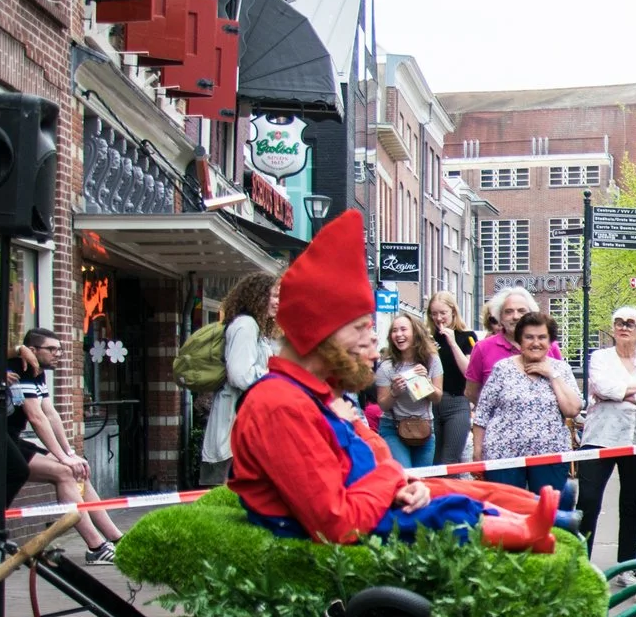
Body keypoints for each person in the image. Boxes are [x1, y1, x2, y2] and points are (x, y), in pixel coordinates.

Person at [226, 212, 561, 551]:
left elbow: (366, 457)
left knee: (458, 494)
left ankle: (541, 517)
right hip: (361, 521)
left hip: (370, 503)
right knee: (449, 510)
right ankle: (530, 525)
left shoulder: (309, 396)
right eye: (360, 328)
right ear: (321, 332)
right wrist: (391, 480)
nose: (370, 344)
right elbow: (337, 522)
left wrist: (398, 482)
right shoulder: (280, 404)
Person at [8, 329, 119, 562]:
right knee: (66, 472)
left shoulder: (37, 372)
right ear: (32, 350)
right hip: (1, 441)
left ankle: (117, 539)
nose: (57, 354)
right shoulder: (20, 369)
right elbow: (36, 417)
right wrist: (63, 458)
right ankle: (96, 547)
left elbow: (50, 413)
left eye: (59, 349)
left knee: (79, 471)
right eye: (51, 349)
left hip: (14, 439)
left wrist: (69, 452)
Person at [473, 310, 582, 509]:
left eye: (542, 337)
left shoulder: (561, 369)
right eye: (529, 337)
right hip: (504, 455)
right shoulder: (502, 369)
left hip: (550, 454)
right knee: (508, 513)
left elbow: (572, 409)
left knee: (549, 513)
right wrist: (477, 451)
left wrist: (551, 375)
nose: (535, 343)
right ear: (520, 340)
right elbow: (482, 413)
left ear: (550, 341)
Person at [579, 306, 636, 561]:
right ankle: (580, 562)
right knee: (588, 501)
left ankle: (627, 564)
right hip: (599, 437)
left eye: (630, 323)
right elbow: (601, 386)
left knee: (632, 503)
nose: (623, 327)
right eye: (619, 322)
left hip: (635, 439)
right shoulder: (600, 357)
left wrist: (618, 393)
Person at [196, 271, 278, 489]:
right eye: (273, 295)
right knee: (230, 488)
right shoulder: (246, 325)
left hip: (240, 422)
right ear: (258, 296)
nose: (277, 302)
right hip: (235, 423)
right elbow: (240, 375)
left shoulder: (251, 327)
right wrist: (273, 376)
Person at [373, 309, 442, 472]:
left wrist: (426, 383)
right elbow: (382, 405)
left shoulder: (431, 360)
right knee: (405, 475)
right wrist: (394, 392)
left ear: (415, 333)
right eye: (394, 331)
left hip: (424, 427)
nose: (398, 335)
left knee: (423, 478)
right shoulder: (386, 367)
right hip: (393, 427)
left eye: (403, 329)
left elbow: (437, 398)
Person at [424, 290, 475, 466]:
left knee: (449, 459)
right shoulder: (427, 338)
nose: (439, 318)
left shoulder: (467, 337)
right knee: (434, 461)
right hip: (431, 403)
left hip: (457, 403)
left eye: (443, 313)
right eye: (434, 314)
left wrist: (452, 342)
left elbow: (468, 371)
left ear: (453, 311)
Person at [464, 286, 541, 400]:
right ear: (500, 317)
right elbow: (471, 392)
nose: (516, 316)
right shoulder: (482, 348)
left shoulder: (548, 346)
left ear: (531, 314)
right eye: (509, 312)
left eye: (521, 311)